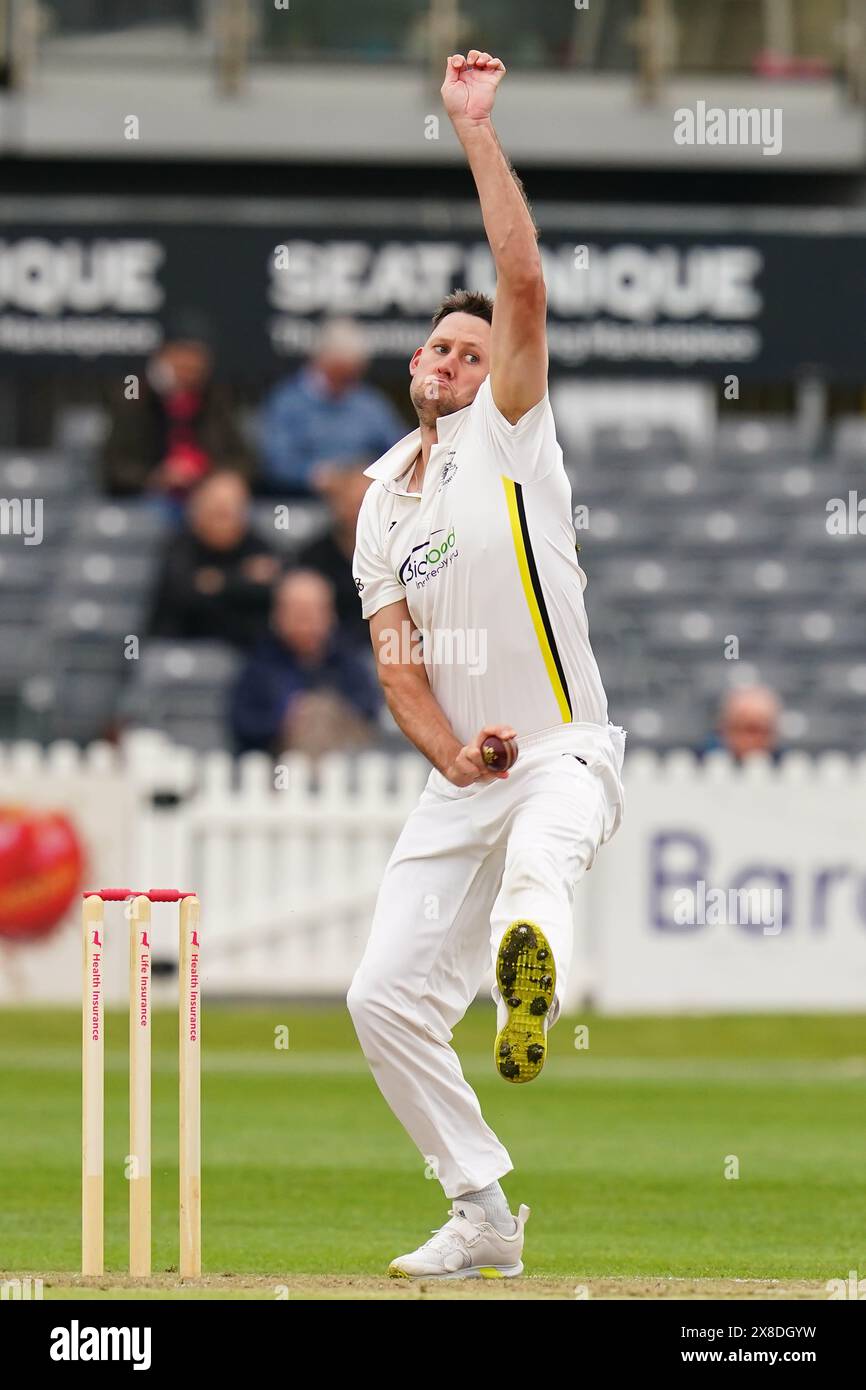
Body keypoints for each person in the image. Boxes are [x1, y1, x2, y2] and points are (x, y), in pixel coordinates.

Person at [347, 50, 626, 1281]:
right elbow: (397, 667)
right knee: (378, 997)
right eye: (438, 352)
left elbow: (520, 276)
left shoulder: (506, 436)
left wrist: (474, 129)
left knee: (541, 861)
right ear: (413, 367)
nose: (452, 364)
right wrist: (452, 751)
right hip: (466, 772)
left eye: (471, 350)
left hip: (564, 748)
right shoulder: (380, 502)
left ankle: (531, 990)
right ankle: (483, 1212)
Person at [229, 569, 381, 755]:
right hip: (277, 770)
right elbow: (244, 726)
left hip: (343, 767)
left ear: (331, 614)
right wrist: (285, 719)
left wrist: (328, 714)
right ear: (277, 615)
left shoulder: (349, 664)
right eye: (298, 613)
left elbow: (369, 714)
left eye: (314, 612)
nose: (306, 622)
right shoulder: (258, 668)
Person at [258, 318, 405, 494]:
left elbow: (402, 451)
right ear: (323, 361)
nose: (349, 381)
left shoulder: (370, 403)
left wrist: (369, 473)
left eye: (354, 374)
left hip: (362, 493)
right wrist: (316, 475)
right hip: (304, 499)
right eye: (341, 373)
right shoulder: (287, 402)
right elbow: (275, 462)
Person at [102, 332, 251, 500]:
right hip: (150, 496)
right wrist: (156, 478)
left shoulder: (216, 400)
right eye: (181, 368)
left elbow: (243, 461)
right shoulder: (134, 398)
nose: (187, 377)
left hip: (205, 494)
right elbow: (115, 466)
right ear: (161, 362)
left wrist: (208, 475)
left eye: (195, 370)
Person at [149, 471, 280, 650]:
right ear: (196, 511)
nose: (226, 521)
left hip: (245, 653)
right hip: (183, 648)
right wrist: (242, 578)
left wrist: (215, 582)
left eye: (232, 511)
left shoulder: (259, 546)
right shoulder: (179, 547)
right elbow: (184, 594)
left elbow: (274, 589)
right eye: (218, 513)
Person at [296, 461, 372, 646]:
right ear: (334, 504)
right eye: (350, 503)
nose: (357, 512)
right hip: (330, 647)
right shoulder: (313, 556)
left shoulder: (398, 553)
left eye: (364, 504)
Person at [711, 685, 782, 762]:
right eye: (747, 729)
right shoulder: (704, 760)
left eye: (761, 730)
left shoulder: (785, 762)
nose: (751, 739)